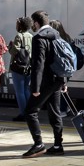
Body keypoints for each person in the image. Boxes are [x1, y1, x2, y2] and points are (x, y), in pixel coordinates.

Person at [22, 10, 67, 158]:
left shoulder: (39, 38)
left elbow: (38, 64)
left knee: (30, 111)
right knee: (55, 111)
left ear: (36, 23)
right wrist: (63, 81)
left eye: (33, 24)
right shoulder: (56, 34)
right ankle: (58, 145)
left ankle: (38, 144)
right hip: (57, 79)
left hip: (46, 81)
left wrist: (35, 87)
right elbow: (62, 58)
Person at [7, 16, 33, 121]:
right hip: (29, 66)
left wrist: (10, 47)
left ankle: (23, 114)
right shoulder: (31, 36)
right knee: (26, 89)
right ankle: (30, 112)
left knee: (19, 91)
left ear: (20, 25)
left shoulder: (19, 36)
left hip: (18, 67)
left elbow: (14, 52)